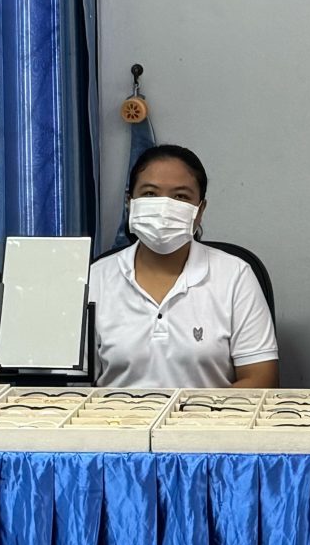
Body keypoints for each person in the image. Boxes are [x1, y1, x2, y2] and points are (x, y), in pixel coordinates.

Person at [90, 145, 279, 388]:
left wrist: (193, 411)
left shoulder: (235, 275)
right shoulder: (94, 278)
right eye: (150, 194)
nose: (164, 208)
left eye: (180, 196)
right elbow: (71, 386)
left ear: (200, 210)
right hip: (114, 413)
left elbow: (261, 379)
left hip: (210, 413)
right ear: (130, 203)